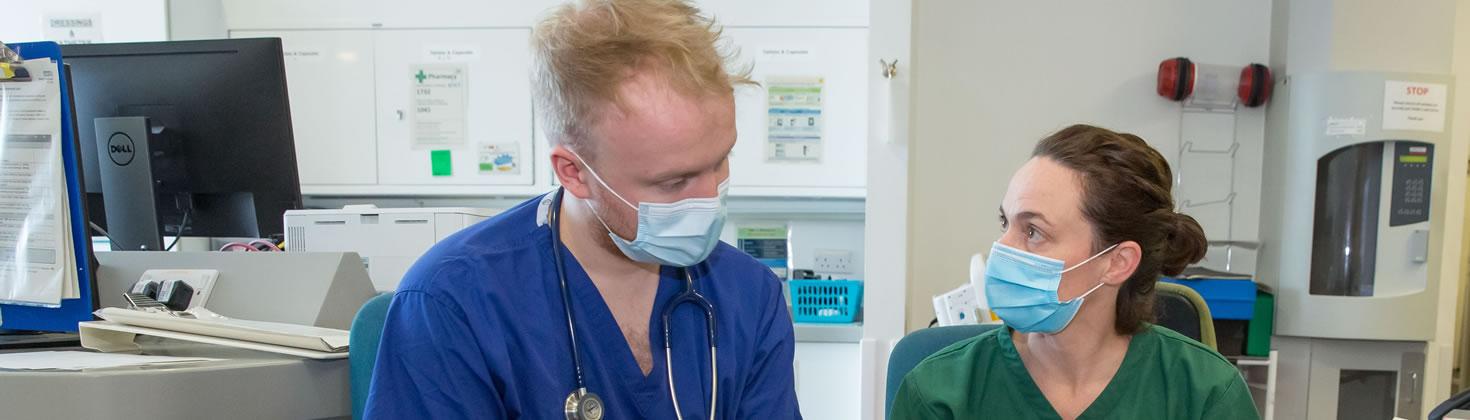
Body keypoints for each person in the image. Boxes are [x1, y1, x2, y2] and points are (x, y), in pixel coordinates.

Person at [363, 0, 801, 418]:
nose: (710, 197)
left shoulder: (748, 296)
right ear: (574, 173)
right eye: (673, 182)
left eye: (721, 159)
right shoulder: (455, 302)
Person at [890, 124, 1258, 419]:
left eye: (1033, 232)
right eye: (1006, 223)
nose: (1002, 248)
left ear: (1117, 262)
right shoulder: (940, 395)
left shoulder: (1205, 395)